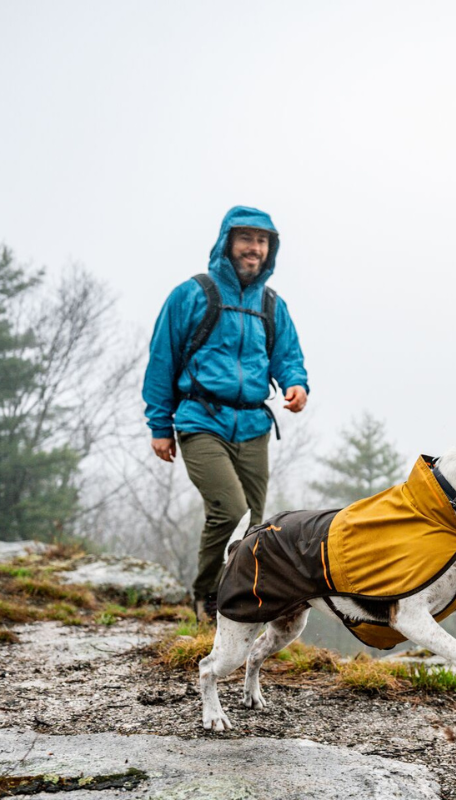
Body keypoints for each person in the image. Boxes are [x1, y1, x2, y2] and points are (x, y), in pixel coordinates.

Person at [142, 206, 309, 620]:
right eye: (246, 239)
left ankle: (235, 605)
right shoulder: (192, 294)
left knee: (254, 528)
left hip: (252, 425)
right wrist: (160, 425)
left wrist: (296, 383)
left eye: (262, 241)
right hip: (200, 420)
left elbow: (288, 357)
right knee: (230, 512)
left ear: (270, 249)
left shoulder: (272, 305)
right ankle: (206, 596)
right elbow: (162, 360)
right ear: (227, 243)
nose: (254, 248)